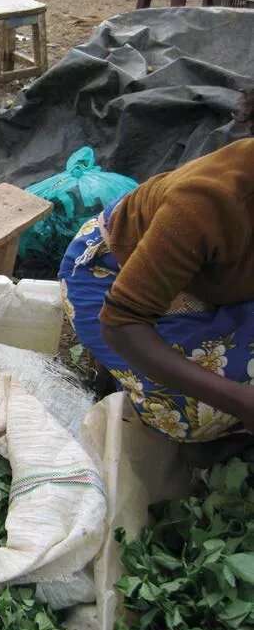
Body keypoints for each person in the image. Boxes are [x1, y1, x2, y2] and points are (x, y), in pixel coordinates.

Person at [59, 88, 254, 443]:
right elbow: (122, 323)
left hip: (215, 282)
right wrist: (242, 402)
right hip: (111, 277)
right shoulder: (206, 202)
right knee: (195, 415)